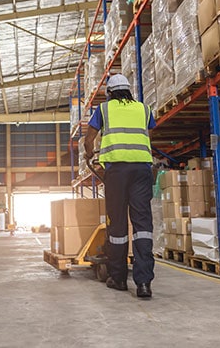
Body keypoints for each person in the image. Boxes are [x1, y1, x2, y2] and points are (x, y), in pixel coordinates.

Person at [84, 74, 156, 298]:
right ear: (129, 90)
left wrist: (90, 153)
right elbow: (149, 132)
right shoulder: (144, 109)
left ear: (110, 93)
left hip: (116, 171)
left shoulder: (104, 110)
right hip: (142, 170)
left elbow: (89, 138)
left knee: (117, 226)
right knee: (142, 224)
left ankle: (118, 278)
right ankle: (144, 283)